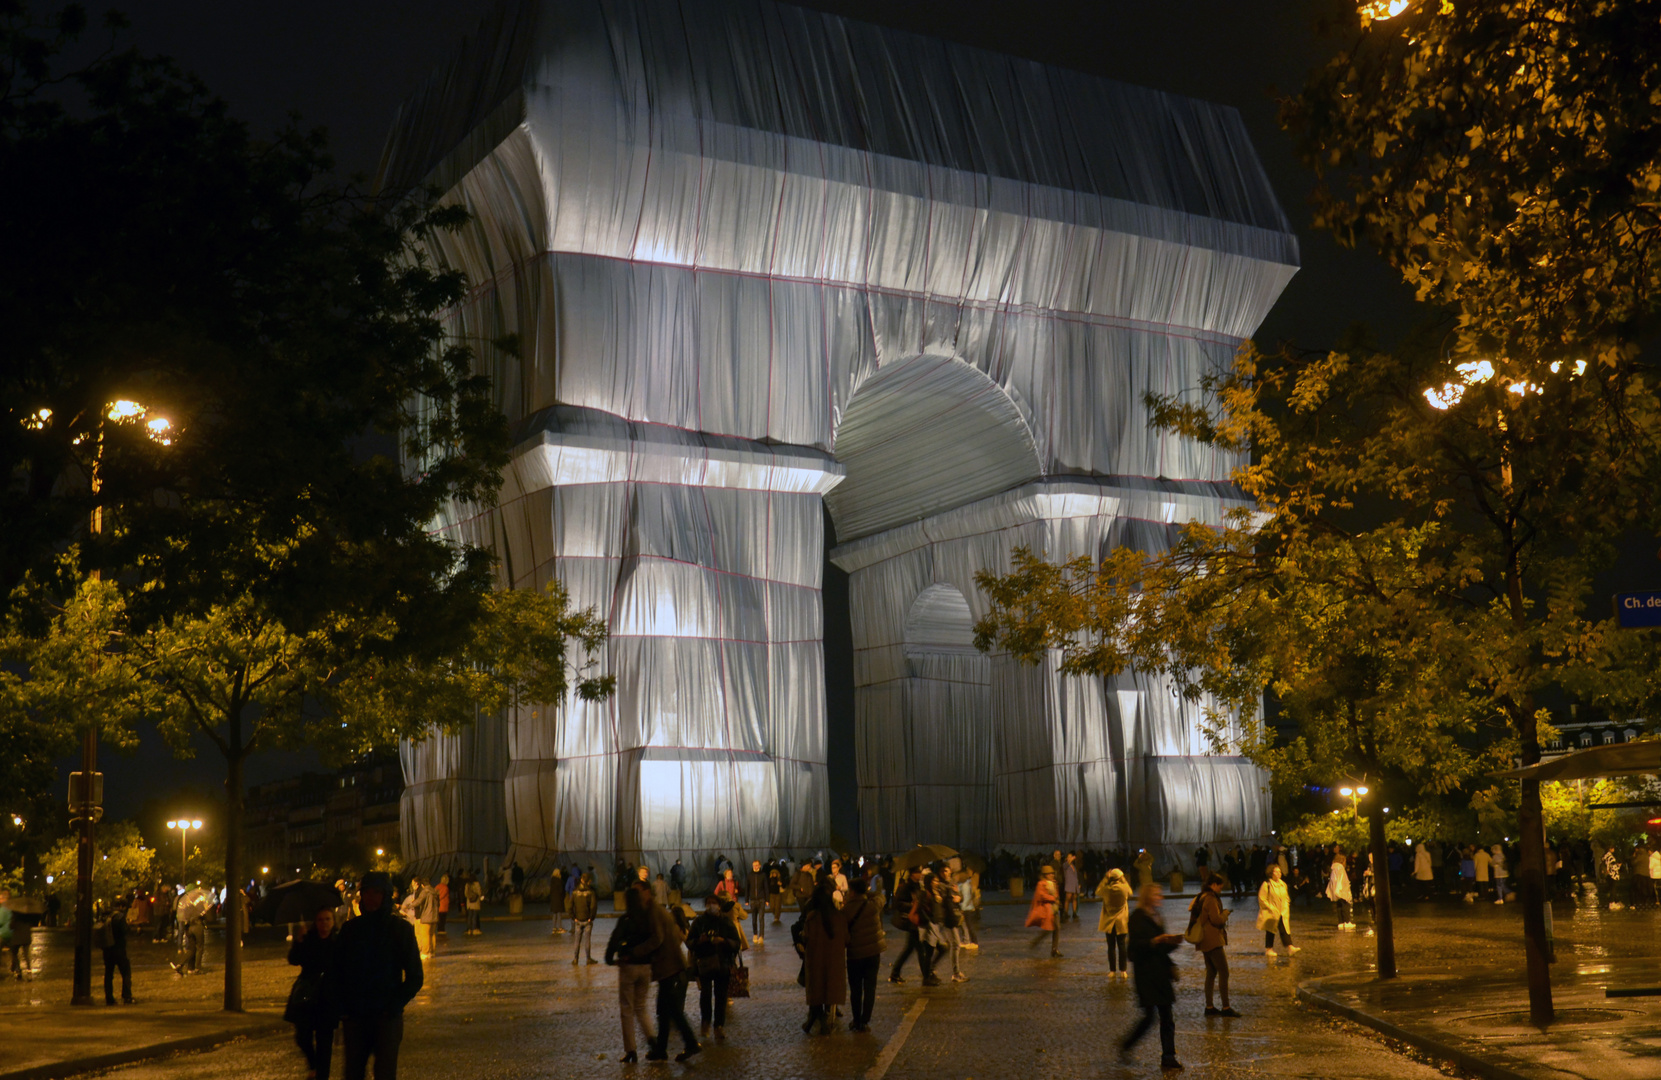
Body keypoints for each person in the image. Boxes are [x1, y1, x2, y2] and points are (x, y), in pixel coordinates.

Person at [325, 871, 422, 1080]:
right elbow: (335, 971)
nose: (371, 898)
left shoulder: (400, 930)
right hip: (356, 1016)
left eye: (376, 893)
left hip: (386, 1018)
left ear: (385, 895)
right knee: (353, 1071)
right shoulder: (351, 930)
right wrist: (343, 1008)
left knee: (385, 1073)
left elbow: (415, 976)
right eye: (366, 893)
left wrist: (394, 1005)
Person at [633, 885, 700, 1062]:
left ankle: (690, 1043)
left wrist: (638, 951)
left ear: (646, 892)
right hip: (667, 967)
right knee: (664, 1010)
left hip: (669, 967)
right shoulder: (654, 910)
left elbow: (657, 939)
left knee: (672, 1010)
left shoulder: (655, 911)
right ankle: (661, 1049)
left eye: (637, 892)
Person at [1122, 883, 1183, 1072]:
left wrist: (1173, 943)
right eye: (1157, 894)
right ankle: (1126, 1044)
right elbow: (1133, 950)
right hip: (1146, 975)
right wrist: (1153, 941)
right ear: (1148, 896)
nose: (1160, 898)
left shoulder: (1157, 917)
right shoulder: (1137, 918)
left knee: (1167, 1017)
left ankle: (1168, 1056)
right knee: (1149, 1017)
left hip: (1160, 974)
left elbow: (1162, 949)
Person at [605, 885, 658, 1063]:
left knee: (627, 1008)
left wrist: (610, 958)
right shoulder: (648, 918)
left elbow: (614, 940)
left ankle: (631, 1050)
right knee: (641, 1006)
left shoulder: (626, 919)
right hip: (646, 967)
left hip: (629, 967)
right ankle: (651, 1038)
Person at [287, 906, 339, 1080]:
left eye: (327, 919)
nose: (324, 923)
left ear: (333, 921)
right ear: (315, 922)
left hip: (329, 995)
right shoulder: (309, 939)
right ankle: (314, 1064)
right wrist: (299, 940)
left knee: (325, 1041)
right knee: (302, 1036)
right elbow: (293, 959)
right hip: (307, 993)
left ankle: (322, 1075)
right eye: (320, 920)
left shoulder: (338, 941)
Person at [688, 895, 742, 1039]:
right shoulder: (699, 922)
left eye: (714, 903)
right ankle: (705, 1022)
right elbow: (689, 942)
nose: (711, 905)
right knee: (705, 995)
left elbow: (736, 943)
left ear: (719, 905)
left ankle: (719, 1026)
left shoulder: (726, 922)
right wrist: (700, 941)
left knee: (721, 996)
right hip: (705, 963)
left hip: (723, 963)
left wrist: (723, 941)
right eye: (709, 903)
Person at [799, 882, 848, 1035]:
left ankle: (815, 1016)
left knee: (817, 990)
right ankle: (824, 1019)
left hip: (815, 962)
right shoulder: (839, 917)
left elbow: (806, 938)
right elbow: (847, 938)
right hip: (834, 962)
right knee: (829, 990)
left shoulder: (812, 918)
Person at [1189, 874, 1238, 1016]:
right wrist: (1225, 913)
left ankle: (1209, 1007)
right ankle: (1226, 1007)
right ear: (1213, 884)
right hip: (1212, 940)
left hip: (1204, 939)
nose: (1221, 889)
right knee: (1224, 972)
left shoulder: (1201, 896)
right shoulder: (1210, 899)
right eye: (1220, 886)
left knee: (1211, 972)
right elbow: (1216, 920)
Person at [843, 878, 884, 1032]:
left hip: (855, 954)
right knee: (870, 987)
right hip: (873, 953)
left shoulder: (846, 910)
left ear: (852, 892)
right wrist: (868, 893)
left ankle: (856, 1020)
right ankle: (865, 1020)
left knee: (855, 989)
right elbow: (881, 896)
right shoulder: (873, 905)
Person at [887, 866, 932, 985]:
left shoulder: (918, 885)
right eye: (918, 872)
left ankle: (895, 973)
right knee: (920, 949)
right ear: (912, 874)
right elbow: (897, 904)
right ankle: (926, 977)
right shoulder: (906, 886)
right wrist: (911, 905)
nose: (920, 874)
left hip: (915, 921)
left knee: (910, 949)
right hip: (910, 921)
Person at [1096, 867, 1133, 978]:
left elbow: (1098, 891)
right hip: (1121, 921)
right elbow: (1130, 892)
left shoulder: (1107, 889)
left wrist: (1105, 879)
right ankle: (1123, 970)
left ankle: (1112, 970)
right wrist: (1123, 879)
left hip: (1109, 922)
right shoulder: (1124, 888)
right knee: (1122, 946)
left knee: (1111, 947)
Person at [1257, 864, 1299, 958]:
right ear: (1271, 873)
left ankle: (1290, 947)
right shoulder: (1267, 884)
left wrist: (1286, 905)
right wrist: (1270, 907)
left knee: (1284, 928)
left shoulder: (1282, 884)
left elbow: (1286, 897)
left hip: (1282, 911)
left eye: (1279, 871)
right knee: (1270, 930)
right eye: (1276, 871)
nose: (1278, 873)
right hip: (1271, 911)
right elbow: (1262, 898)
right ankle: (1269, 949)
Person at [99, 898, 134, 1005]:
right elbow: (124, 931)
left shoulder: (105, 915)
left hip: (107, 948)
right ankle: (127, 996)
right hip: (118, 948)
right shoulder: (119, 917)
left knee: (109, 974)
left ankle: (109, 998)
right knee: (126, 972)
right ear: (121, 907)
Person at [1026, 864, 1061, 957]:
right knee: (1049, 928)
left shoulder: (1053, 883)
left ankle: (1054, 949)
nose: (1052, 875)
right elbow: (1041, 895)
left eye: (1052, 873)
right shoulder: (1041, 884)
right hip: (1047, 909)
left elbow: (1056, 893)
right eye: (1049, 874)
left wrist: (1056, 899)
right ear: (1045, 875)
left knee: (1057, 928)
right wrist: (1053, 898)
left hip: (1054, 908)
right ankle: (1037, 941)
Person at [571, 873, 599, 965]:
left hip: (578, 920)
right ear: (589, 881)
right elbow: (593, 906)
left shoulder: (575, 892)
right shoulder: (590, 892)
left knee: (577, 941)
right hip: (587, 920)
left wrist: (573, 917)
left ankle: (575, 959)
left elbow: (569, 906)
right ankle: (588, 958)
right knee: (587, 940)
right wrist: (591, 917)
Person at [1327, 848, 1355, 929]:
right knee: (1345, 905)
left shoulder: (1334, 868)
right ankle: (1347, 921)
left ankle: (1341, 922)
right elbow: (1341, 880)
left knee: (1339, 905)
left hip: (1336, 889)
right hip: (1342, 890)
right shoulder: (1340, 868)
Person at [746, 860, 770, 944]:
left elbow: (766, 887)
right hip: (752, 900)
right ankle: (755, 934)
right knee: (753, 919)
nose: (755, 867)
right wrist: (746, 899)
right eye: (754, 865)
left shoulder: (763, 875)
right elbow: (747, 888)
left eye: (757, 865)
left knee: (761, 918)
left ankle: (761, 936)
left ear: (760, 866)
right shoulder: (750, 875)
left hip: (761, 899)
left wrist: (767, 899)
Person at [1062, 853, 1081, 921]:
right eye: (1069, 857)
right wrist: (1070, 860)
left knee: (1074, 899)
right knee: (1067, 899)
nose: (1070, 858)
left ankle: (1074, 913)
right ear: (1066, 858)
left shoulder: (1073, 866)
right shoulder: (1065, 865)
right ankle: (1065, 913)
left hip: (1074, 884)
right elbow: (1065, 866)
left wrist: (1078, 883)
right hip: (1069, 884)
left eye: (1071, 857)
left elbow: (1075, 875)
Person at [549, 867, 566, 934]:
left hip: (553, 899)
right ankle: (560, 928)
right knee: (559, 914)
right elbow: (561, 891)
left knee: (554, 914)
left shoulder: (552, 881)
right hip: (559, 899)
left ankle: (554, 928)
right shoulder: (559, 881)